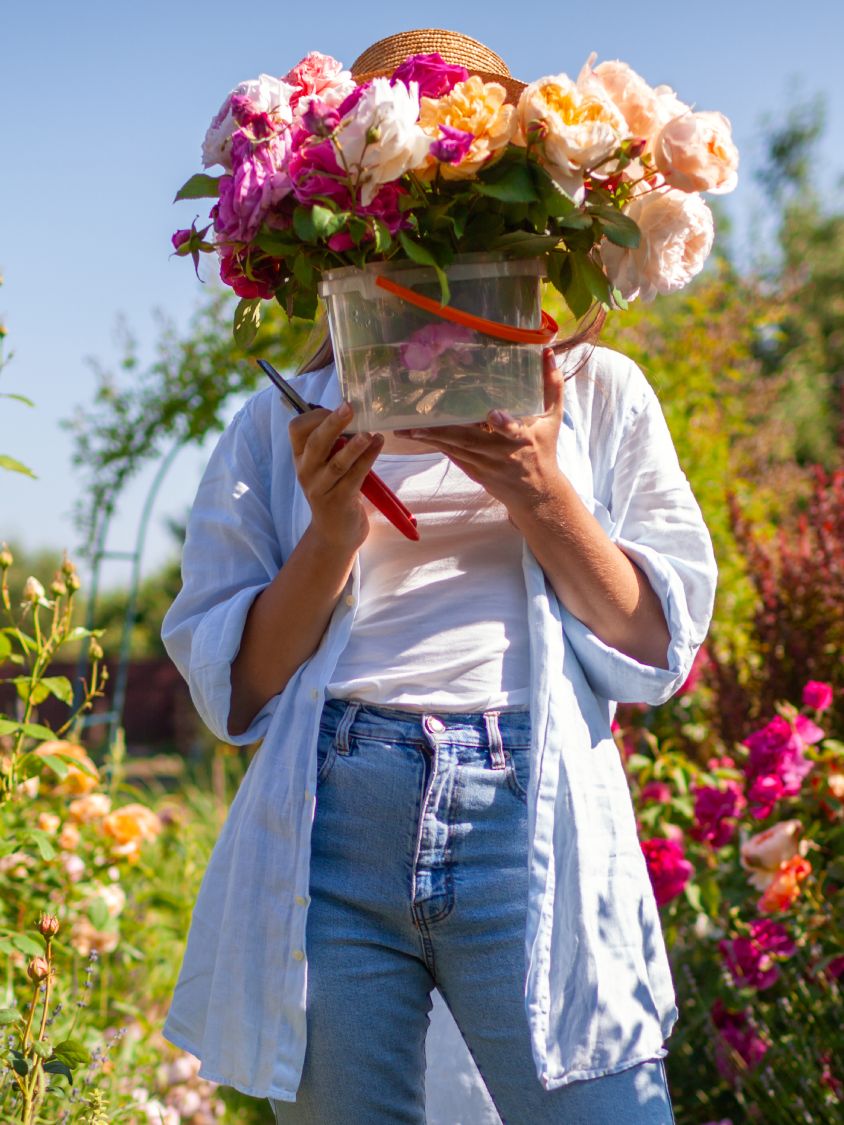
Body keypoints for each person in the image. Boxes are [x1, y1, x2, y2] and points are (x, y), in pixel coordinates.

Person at [160, 29, 717, 1125]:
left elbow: (658, 650)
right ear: (347, 233)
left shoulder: (597, 394)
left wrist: (540, 487)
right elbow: (243, 691)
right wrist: (327, 532)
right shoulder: (279, 418)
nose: (426, 247)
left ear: (515, 218)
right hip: (336, 820)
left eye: (455, 215)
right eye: (401, 218)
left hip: (528, 813)